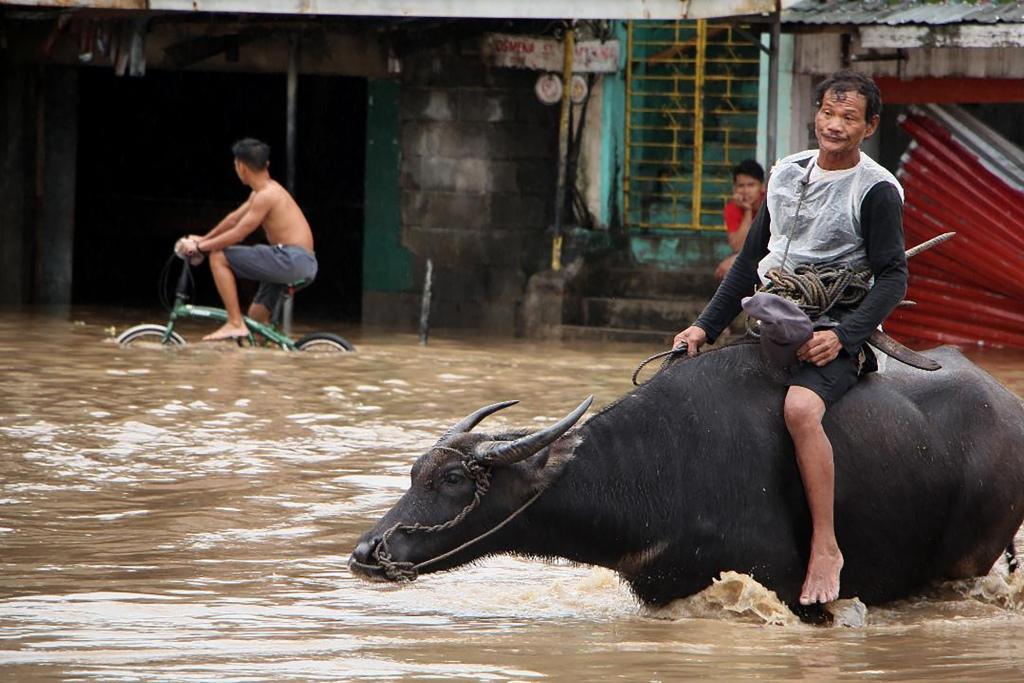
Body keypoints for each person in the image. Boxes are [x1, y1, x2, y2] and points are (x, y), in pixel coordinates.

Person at [672, 70, 907, 605]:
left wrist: (845, 337)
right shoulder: (784, 174)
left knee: (801, 410)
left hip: (834, 325)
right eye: (828, 112)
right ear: (816, 114)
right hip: (773, 318)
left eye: (849, 117)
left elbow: (894, 276)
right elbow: (751, 262)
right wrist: (704, 327)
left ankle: (826, 545)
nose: (835, 125)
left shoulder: (876, 191)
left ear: (869, 126)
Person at [180, 138, 317, 341]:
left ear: (241, 167)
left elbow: (238, 234)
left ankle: (234, 322)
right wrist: (204, 239)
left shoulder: (266, 196)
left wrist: (201, 247)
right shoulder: (264, 191)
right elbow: (233, 219)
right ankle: (272, 360)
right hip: (299, 262)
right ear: (266, 164)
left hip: (291, 259)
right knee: (256, 320)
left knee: (218, 256)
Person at [715, 159, 765, 280]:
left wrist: (734, 259)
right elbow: (738, 247)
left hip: (772, 254)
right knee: (728, 270)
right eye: (741, 186)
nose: (745, 191)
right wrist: (747, 211)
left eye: (751, 185)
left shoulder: (770, 203)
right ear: (734, 189)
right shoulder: (733, 208)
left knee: (733, 263)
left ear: (762, 187)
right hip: (750, 255)